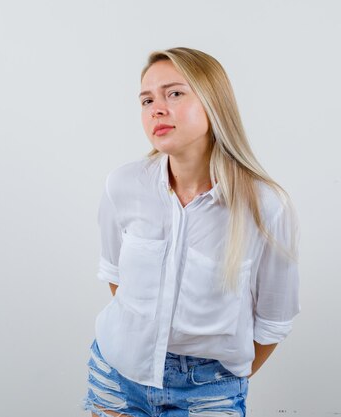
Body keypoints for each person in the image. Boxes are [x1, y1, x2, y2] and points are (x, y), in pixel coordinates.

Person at [80, 47, 301, 417]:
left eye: (175, 93)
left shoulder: (265, 206)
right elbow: (117, 279)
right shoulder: (123, 185)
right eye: (147, 99)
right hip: (118, 375)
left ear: (214, 103)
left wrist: (218, 380)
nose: (157, 109)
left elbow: (273, 321)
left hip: (208, 390)